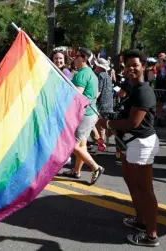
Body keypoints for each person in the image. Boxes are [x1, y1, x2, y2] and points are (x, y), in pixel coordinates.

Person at [98, 50, 160, 247]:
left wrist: (108, 124)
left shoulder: (143, 91)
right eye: (127, 65)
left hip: (141, 144)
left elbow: (133, 122)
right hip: (129, 143)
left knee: (145, 189)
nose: (130, 68)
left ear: (143, 66)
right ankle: (141, 220)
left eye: (135, 65)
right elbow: (124, 115)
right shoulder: (132, 88)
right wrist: (112, 122)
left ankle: (151, 235)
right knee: (131, 182)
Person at [61, 47, 105, 185]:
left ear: (84, 58)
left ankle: (95, 167)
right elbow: (96, 94)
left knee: (72, 145)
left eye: (77, 55)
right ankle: (76, 171)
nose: (74, 58)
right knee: (82, 145)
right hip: (91, 114)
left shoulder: (82, 74)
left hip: (84, 114)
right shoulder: (91, 73)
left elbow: (77, 96)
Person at [90, 58, 113, 152]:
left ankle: (98, 141)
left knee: (91, 123)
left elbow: (97, 91)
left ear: (99, 67)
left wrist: (92, 101)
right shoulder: (107, 75)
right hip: (109, 104)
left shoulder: (100, 76)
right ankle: (101, 144)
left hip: (100, 103)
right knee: (101, 125)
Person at [154, 54, 166, 126]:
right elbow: (153, 77)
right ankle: (153, 118)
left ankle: (158, 119)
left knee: (160, 105)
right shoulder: (155, 67)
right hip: (156, 89)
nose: (164, 61)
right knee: (154, 104)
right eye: (162, 59)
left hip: (164, 89)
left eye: (165, 60)